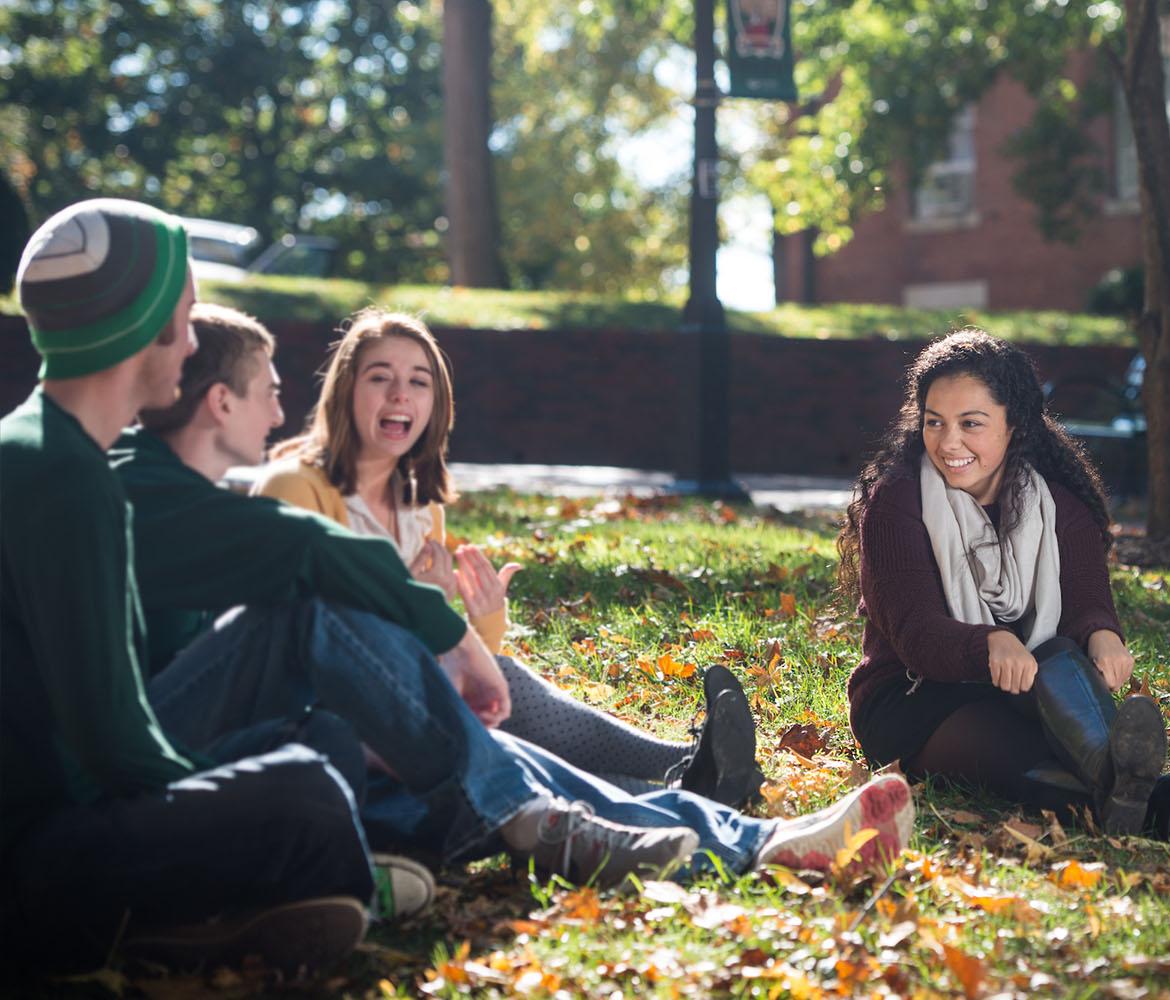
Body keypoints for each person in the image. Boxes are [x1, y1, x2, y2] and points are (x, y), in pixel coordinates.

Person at [114, 302, 914, 888]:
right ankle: (622, 809)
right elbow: (320, 575)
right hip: (268, 736)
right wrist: (453, 637)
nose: (280, 408)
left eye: (417, 381)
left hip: (359, 707)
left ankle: (755, 836)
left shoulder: (399, 502)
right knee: (412, 697)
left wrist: (478, 627)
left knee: (495, 749)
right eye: (267, 389)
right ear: (223, 402)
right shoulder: (217, 494)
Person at [1, 199, 372, 977]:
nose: (196, 339)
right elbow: (112, 746)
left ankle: (230, 901)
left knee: (324, 750)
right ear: (144, 329)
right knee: (307, 797)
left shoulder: (45, 448)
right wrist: (223, 806)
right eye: (188, 315)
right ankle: (188, 913)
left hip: (69, 815)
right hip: (41, 860)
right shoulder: (67, 478)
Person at [252, 308, 761, 809]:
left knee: (502, 696)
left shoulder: (419, 504)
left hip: (403, 694)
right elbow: (309, 634)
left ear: (437, 403)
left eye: (419, 381)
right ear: (345, 391)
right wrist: (418, 605)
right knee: (497, 706)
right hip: (324, 713)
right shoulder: (294, 487)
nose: (399, 394)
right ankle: (691, 777)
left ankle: (686, 786)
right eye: (379, 377)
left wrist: (485, 619)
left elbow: (444, 657)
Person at [839, 328, 1170, 842]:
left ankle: (1151, 803)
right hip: (916, 699)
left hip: (1034, 687)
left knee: (1061, 655)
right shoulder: (897, 504)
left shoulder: (1058, 505)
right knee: (1024, 751)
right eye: (934, 423)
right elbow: (916, 633)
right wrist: (988, 642)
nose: (949, 443)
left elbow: (1086, 604)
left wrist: (1103, 634)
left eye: (971, 424)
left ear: (1014, 424)